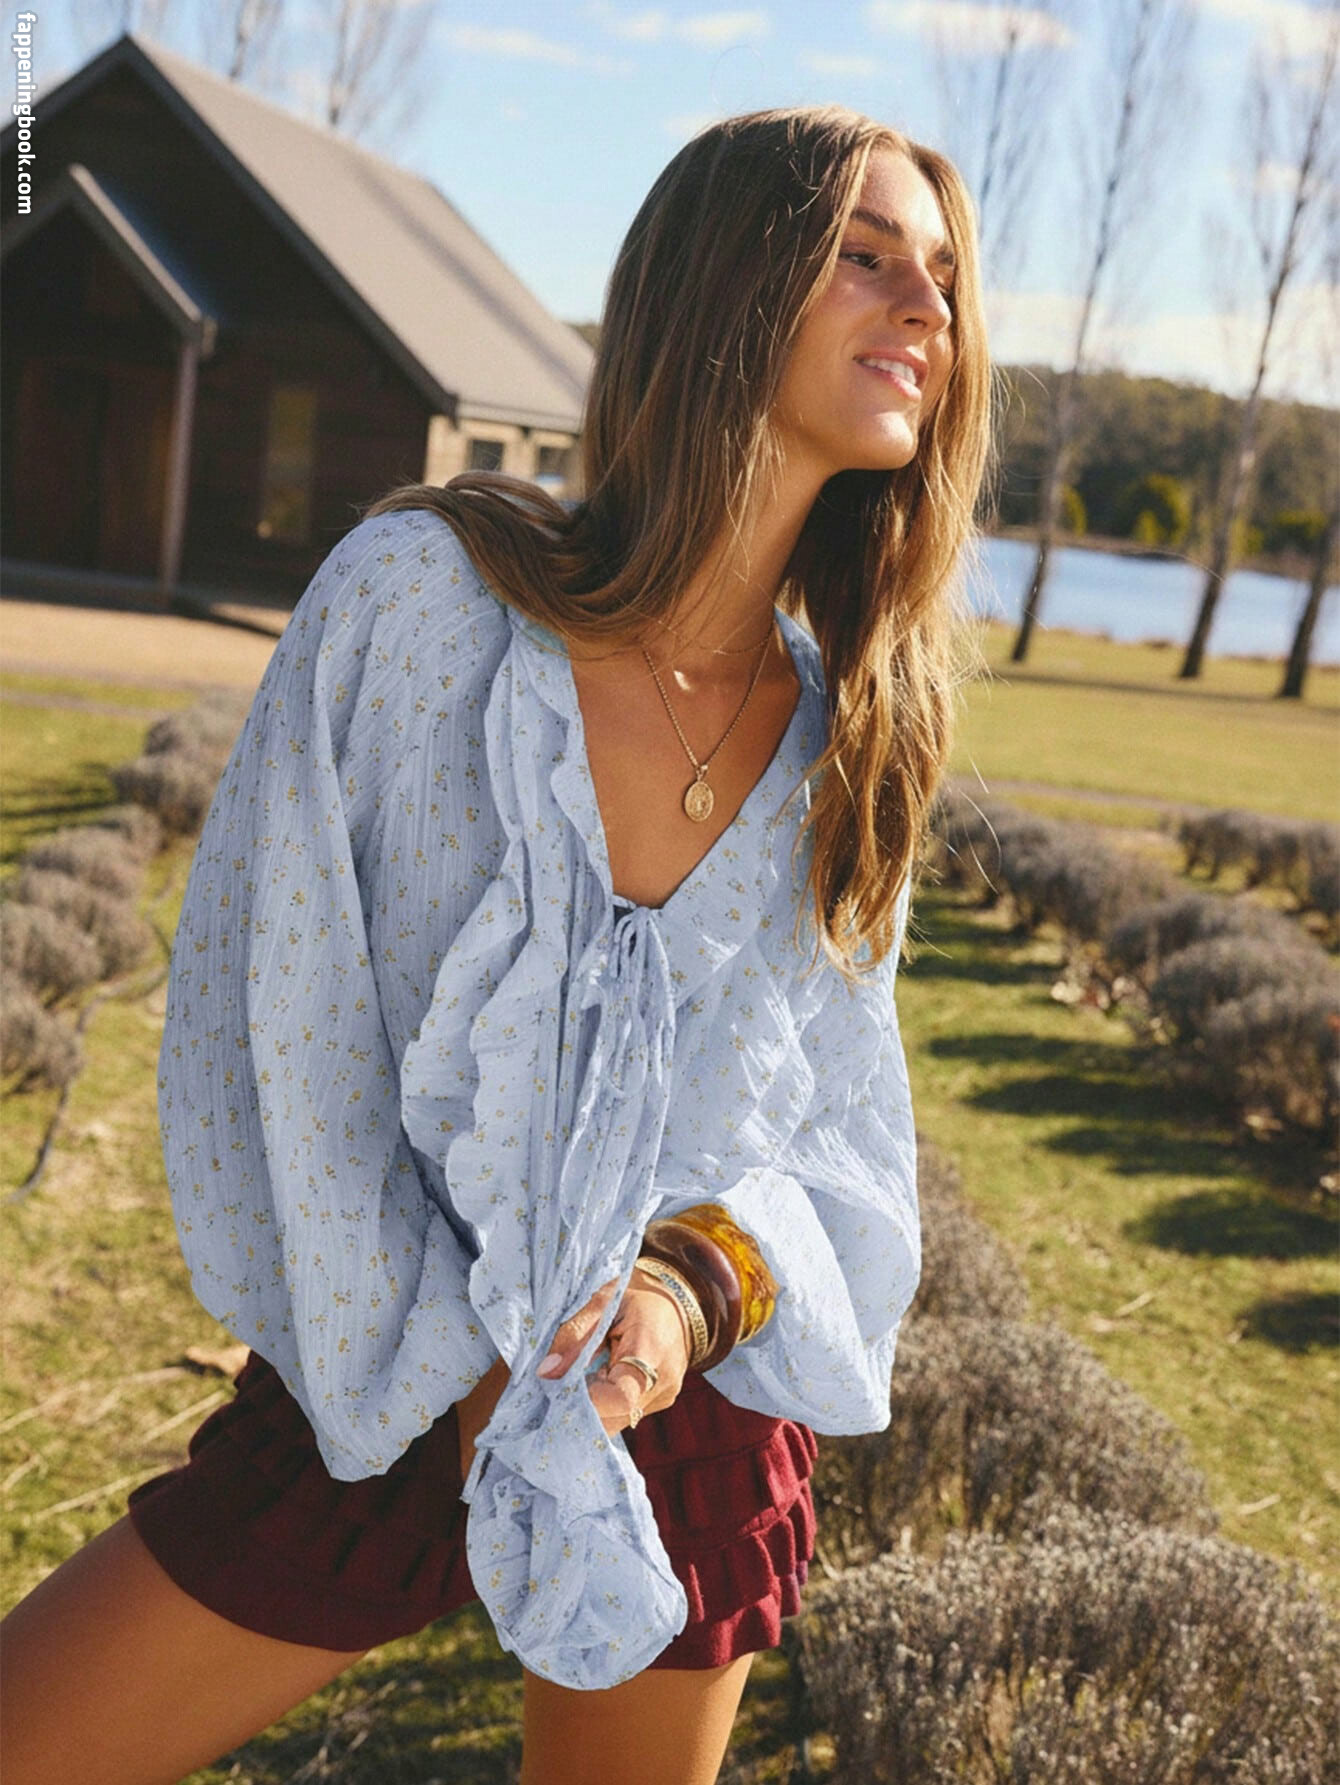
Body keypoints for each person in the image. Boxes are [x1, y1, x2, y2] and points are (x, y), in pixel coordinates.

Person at [0, 103, 992, 1785]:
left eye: (947, 281)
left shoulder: (854, 740)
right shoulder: (427, 597)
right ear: (726, 281)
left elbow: (835, 1148)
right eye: (868, 255)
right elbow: (283, 1017)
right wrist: (461, 1370)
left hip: (675, 1418)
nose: (928, 311)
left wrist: (680, 1299)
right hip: (384, 1377)